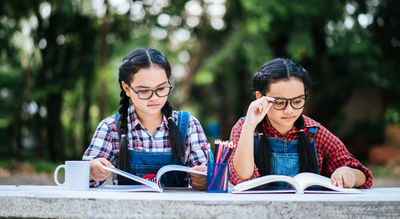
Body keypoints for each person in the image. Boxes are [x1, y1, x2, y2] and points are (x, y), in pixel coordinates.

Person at [229, 58, 372, 189]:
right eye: (279, 102)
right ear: (260, 97)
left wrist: (348, 174)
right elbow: (242, 177)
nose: (289, 110)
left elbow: (363, 176)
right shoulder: (244, 128)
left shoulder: (315, 132)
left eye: (297, 101)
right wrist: (249, 126)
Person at [83, 48, 208, 190]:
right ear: (127, 88)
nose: (154, 97)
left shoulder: (188, 125)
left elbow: (208, 176)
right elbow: (80, 179)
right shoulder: (110, 127)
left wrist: (203, 179)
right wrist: (91, 171)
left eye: (161, 89)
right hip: (126, 210)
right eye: (144, 91)